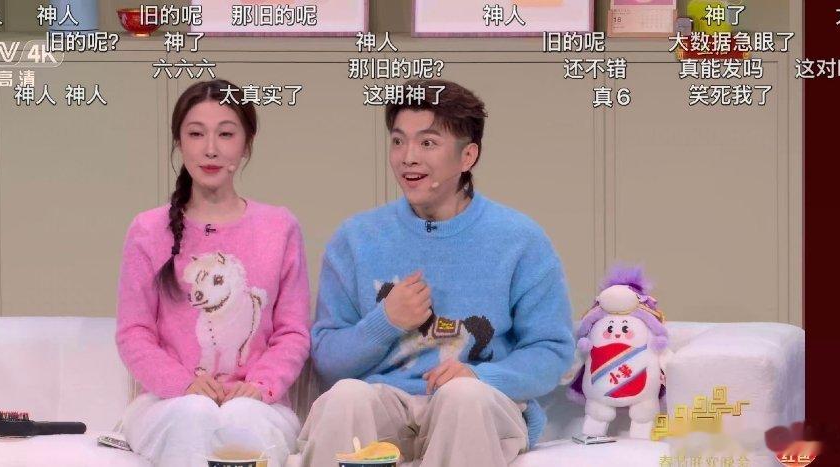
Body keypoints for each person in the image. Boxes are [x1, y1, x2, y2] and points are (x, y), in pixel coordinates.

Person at [297, 79, 575, 467]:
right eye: (398, 141)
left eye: (427, 143)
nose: (408, 157)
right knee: (344, 397)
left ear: (467, 156)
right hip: (385, 402)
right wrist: (385, 322)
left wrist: (481, 377)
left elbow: (552, 351)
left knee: (462, 397)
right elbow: (327, 358)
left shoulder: (520, 240)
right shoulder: (356, 239)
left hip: (476, 404)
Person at [116, 79, 311, 467]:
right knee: (194, 414)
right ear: (179, 142)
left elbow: (292, 332)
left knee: (244, 421)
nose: (210, 149)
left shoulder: (279, 227)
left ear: (246, 143)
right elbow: (133, 332)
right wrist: (184, 384)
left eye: (225, 134)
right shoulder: (147, 230)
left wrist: (259, 385)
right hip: (167, 402)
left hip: (259, 402)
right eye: (196, 134)